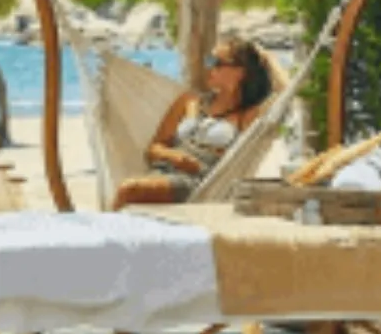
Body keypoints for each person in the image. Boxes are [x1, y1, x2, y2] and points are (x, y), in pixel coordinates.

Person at [111, 36, 274, 208]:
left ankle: (101, 233)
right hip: (163, 172)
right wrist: (175, 156)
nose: (209, 67)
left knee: (128, 189)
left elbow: (288, 98)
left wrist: (270, 59)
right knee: (131, 189)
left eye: (216, 62)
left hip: (199, 183)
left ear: (240, 72)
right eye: (209, 60)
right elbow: (154, 148)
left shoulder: (247, 115)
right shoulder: (190, 101)